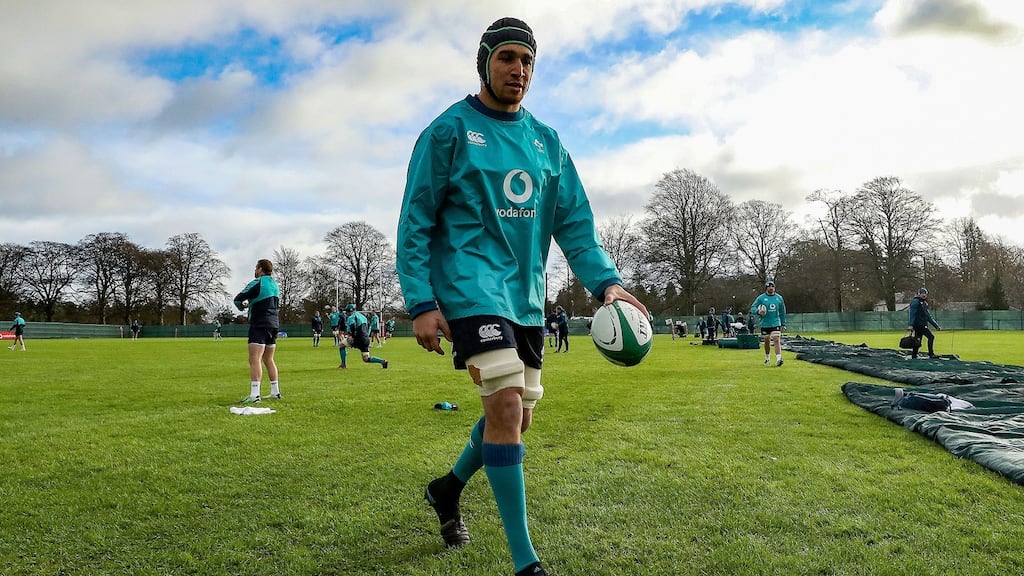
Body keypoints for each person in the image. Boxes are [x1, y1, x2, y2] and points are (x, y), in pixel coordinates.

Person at [396, 17, 648, 576]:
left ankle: (447, 488)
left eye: (527, 60)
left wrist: (608, 283)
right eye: (508, 57)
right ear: (485, 62)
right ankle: (524, 563)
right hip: (468, 289)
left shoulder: (546, 142)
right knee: (506, 407)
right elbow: (415, 220)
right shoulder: (450, 131)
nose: (519, 70)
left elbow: (576, 224)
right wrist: (421, 300)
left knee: (514, 420)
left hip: (524, 299)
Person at [233, 259, 282, 403]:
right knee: (268, 359)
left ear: (260, 269)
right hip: (274, 324)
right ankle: (275, 392)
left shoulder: (257, 282)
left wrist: (242, 306)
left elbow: (238, 299)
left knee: (254, 359)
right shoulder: (275, 285)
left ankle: (255, 395)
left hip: (260, 323)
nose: (255, 271)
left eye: (256, 268)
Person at [750, 279, 787, 366]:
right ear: (766, 288)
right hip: (765, 323)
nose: (771, 288)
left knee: (776, 339)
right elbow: (753, 307)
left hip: (775, 322)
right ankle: (767, 358)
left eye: (772, 286)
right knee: (766, 340)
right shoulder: (761, 298)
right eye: (769, 286)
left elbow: (782, 311)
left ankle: (779, 359)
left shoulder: (779, 298)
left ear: (774, 288)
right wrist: (758, 311)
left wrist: (783, 323)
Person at [344, 304, 388, 369]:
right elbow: (368, 325)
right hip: (366, 339)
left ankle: (343, 365)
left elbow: (352, 326)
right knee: (366, 358)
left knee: (341, 345)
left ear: (348, 311)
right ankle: (383, 362)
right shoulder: (362, 316)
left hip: (358, 338)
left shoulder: (351, 317)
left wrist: (352, 336)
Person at [908, 287, 942, 359]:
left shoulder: (923, 303)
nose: (924, 295)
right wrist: (911, 325)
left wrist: (936, 326)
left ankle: (914, 355)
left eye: (925, 293)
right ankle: (931, 354)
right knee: (931, 337)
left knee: (918, 340)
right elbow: (912, 313)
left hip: (921, 325)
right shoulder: (916, 302)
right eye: (922, 293)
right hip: (919, 325)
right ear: (919, 294)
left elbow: (928, 316)